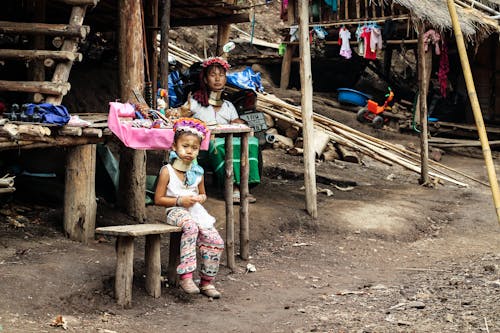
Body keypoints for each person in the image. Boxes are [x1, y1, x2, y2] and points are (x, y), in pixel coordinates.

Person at [154, 117, 223, 299]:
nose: (189, 151)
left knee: (215, 240)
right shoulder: (167, 171)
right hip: (175, 210)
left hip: (195, 210)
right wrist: (179, 201)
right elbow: (158, 199)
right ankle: (186, 276)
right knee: (190, 227)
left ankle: (207, 281)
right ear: (174, 147)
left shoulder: (197, 172)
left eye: (194, 148)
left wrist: (199, 198)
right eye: (185, 146)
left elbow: (203, 194)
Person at [182, 56, 260, 204]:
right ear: (205, 79)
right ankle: (232, 188)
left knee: (251, 142)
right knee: (217, 145)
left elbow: (235, 124)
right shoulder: (194, 103)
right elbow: (180, 118)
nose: (217, 79)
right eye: (213, 75)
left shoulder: (229, 106)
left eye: (221, 75)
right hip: (203, 147)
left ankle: (244, 186)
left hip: (225, 142)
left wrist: (239, 123)